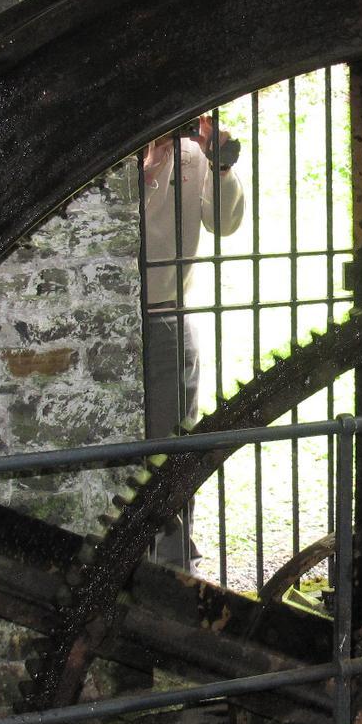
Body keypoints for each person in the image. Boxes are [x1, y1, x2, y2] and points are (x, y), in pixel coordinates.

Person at [140, 114, 245, 567]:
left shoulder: (192, 154)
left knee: (174, 443)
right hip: (121, 318)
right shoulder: (118, 159)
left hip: (167, 317)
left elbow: (225, 223)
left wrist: (220, 166)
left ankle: (173, 557)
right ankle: (129, 552)